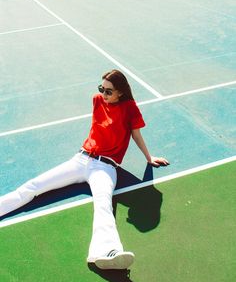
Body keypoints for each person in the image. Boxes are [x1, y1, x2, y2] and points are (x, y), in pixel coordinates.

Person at [0, 70, 169, 270]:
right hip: (80, 160)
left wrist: (149, 159)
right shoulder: (97, 100)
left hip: (105, 167)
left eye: (108, 91)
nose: (103, 94)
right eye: (102, 89)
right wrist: (102, 97)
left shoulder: (130, 108)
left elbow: (136, 136)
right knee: (33, 186)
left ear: (121, 92)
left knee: (103, 204)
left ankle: (107, 252)